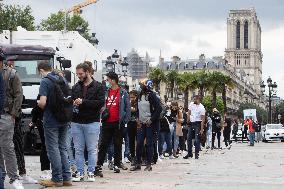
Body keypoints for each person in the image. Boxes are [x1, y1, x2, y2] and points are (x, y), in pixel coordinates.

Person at [37, 61, 72, 187]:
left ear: (41, 70)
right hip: (64, 118)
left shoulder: (45, 81)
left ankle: (57, 178)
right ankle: (67, 177)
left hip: (51, 120)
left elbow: (43, 102)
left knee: (53, 148)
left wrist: (38, 103)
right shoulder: (61, 78)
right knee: (62, 147)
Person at [71, 62, 105, 182]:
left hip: (92, 122)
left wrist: (83, 102)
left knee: (92, 149)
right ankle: (80, 173)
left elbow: (100, 103)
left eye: (80, 74)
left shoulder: (99, 86)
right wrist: (73, 102)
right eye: (77, 74)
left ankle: (90, 172)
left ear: (87, 72)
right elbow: (72, 100)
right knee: (78, 149)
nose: (79, 76)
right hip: (76, 122)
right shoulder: (75, 87)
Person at [96, 72, 131, 175]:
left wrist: (125, 121)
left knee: (117, 144)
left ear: (113, 80)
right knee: (103, 144)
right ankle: (99, 165)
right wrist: (102, 112)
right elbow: (102, 104)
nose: (107, 82)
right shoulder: (106, 92)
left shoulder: (123, 92)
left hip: (118, 122)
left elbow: (127, 108)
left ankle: (116, 164)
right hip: (107, 121)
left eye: (108, 80)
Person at [0, 60, 24, 189]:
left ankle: (14, 178)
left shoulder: (11, 74)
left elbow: (18, 95)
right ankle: (2, 177)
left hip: (6, 114)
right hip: (6, 115)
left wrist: (13, 114)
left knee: (7, 147)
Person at [130, 79, 162, 171]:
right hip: (141, 123)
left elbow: (158, 109)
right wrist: (137, 119)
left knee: (149, 144)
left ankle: (149, 164)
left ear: (147, 86)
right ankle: (138, 163)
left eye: (142, 85)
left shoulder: (152, 96)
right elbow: (137, 109)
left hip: (149, 124)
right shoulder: (140, 95)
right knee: (139, 143)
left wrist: (151, 120)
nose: (140, 86)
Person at [30, 96, 51, 179]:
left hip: (50, 123)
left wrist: (34, 121)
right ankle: (45, 170)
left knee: (48, 147)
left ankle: (48, 170)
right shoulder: (43, 94)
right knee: (46, 146)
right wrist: (34, 121)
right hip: (43, 123)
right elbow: (36, 110)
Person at [183, 95, 205, 160]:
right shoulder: (191, 104)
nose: (194, 100)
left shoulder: (202, 108)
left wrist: (201, 130)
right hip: (191, 123)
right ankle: (189, 153)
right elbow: (189, 113)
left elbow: (203, 119)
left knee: (197, 139)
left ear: (198, 100)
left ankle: (196, 153)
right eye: (193, 99)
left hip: (198, 124)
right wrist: (187, 121)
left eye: (195, 99)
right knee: (188, 138)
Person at [128, 90, 138, 165]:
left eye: (133, 97)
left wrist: (133, 110)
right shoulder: (128, 103)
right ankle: (133, 156)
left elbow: (137, 111)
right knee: (131, 141)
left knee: (139, 141)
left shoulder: (138, 103)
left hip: (137, 124)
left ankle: (139, 156)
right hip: (130, 123)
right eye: (130, 97)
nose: (132, 99)